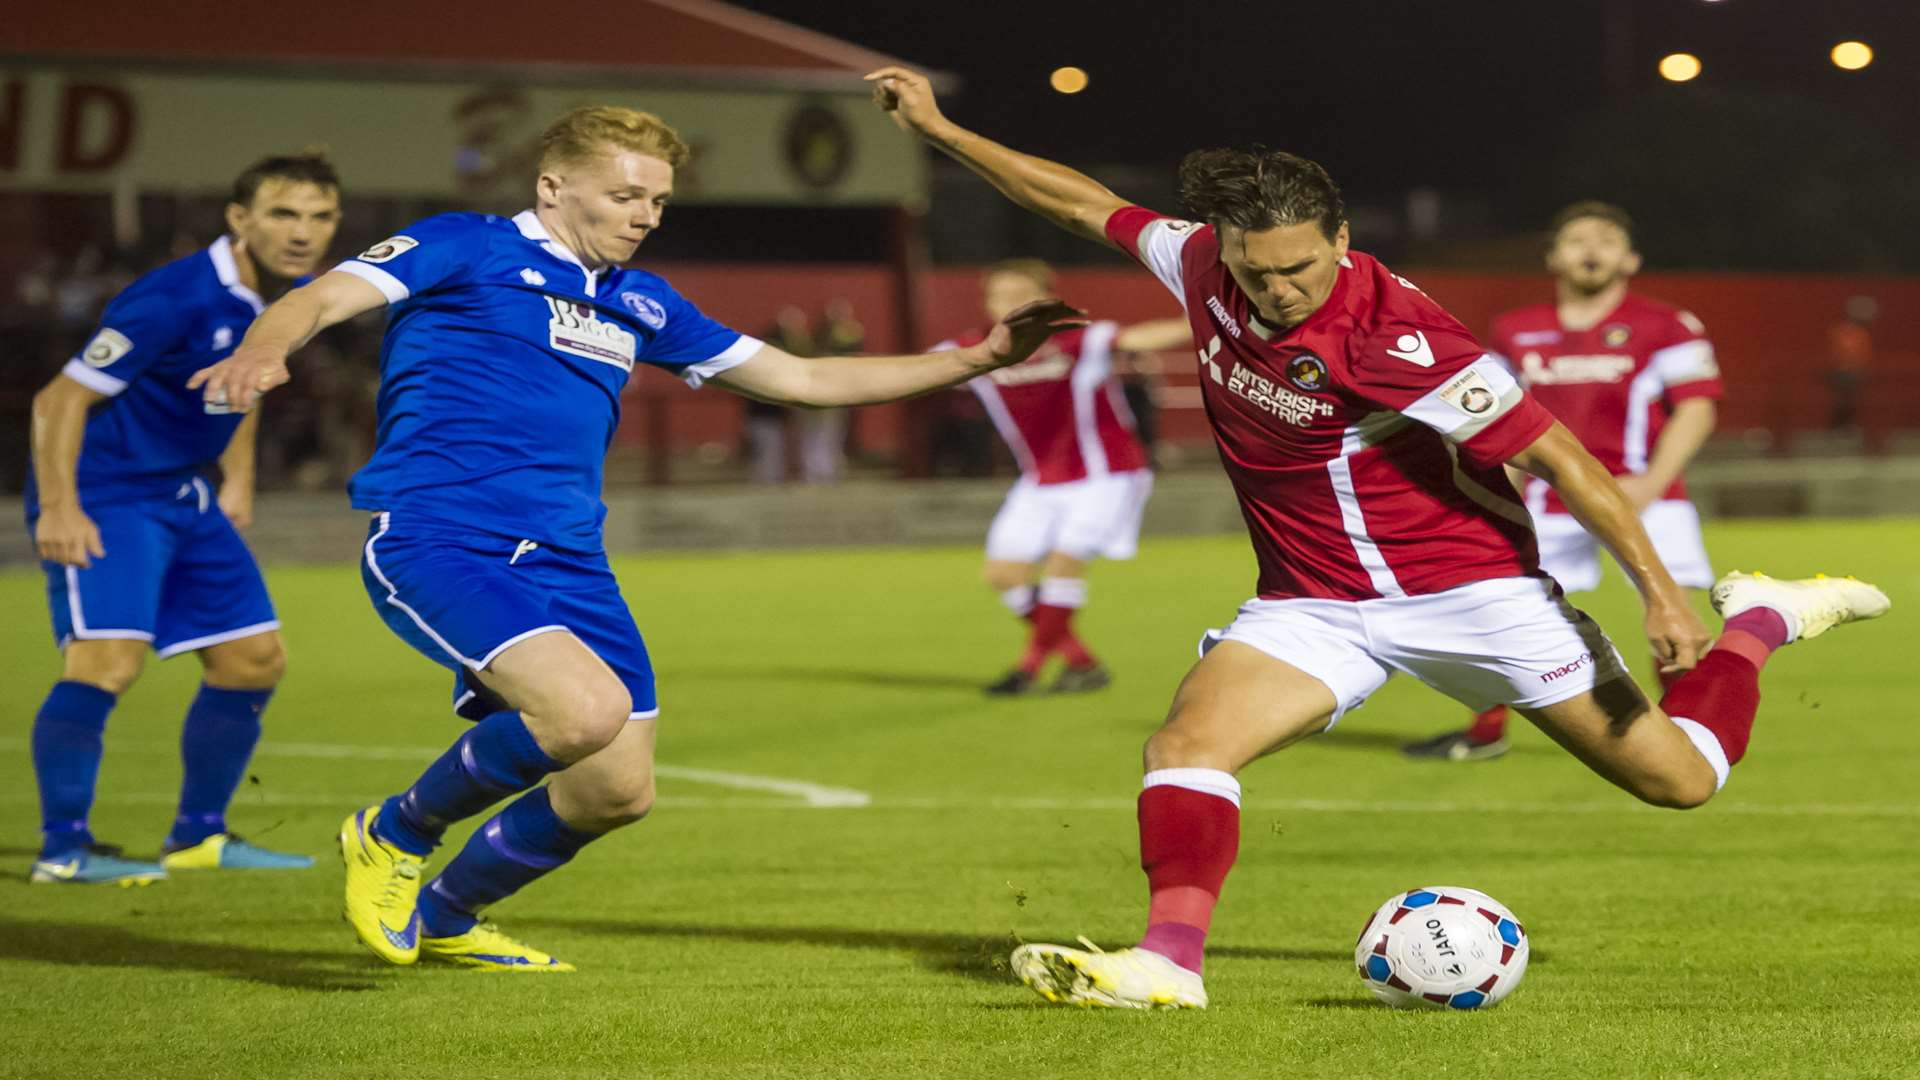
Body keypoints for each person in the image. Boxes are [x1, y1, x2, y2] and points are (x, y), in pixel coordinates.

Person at [867, 66, 1891, 1010]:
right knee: (1187, 745)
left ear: (1343, 237)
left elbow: (1565, 462)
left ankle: (1760, 617)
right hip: (1313, 604)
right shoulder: (1199, 265)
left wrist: (1667, 596)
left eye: (1301, 268)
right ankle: (1167, 964)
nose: (1279, 291)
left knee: (1682, 782)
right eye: (1257, 271)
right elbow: (1076, 201)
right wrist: (941, 127)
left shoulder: (1398, 341)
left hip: (1471, 593)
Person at [188, 105, 1083, 971]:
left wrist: (971, 360)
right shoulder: (465, 243)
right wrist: (264, 349)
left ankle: (446, 918)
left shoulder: (640, 301)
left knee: (615, 789)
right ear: (552, 187)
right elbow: (322, 297)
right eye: (624, 197)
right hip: (442, 534)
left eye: (657, 201)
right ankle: (394, 832)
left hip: (571, 557)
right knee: (582, 713)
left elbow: (802, 375)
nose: (644, 217)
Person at [26, 154, 343, 885]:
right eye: (283, 214)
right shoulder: (173, 297)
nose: (303, 233)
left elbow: (241, 385)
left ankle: (199, 836)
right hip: (107, 493)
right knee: (105, 664)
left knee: (251, 660)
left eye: (319, 216)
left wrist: (240, 479)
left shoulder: (290, 296)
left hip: (183, 494)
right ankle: (64, 849)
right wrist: (62, 506)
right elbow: (58, 401)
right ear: (240, 219)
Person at [1404, 202, 1723, 762]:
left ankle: (1687, 738)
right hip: (1545, 500)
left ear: (1631, 258)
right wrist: (1489, 495)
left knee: (1674, 614)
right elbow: (1489, 420)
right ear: (1552, 257)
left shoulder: (1667, 324)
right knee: (1496, 608)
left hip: (1643, 494)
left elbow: (1696, 409)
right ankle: (1485, 734)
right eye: (1577, 240)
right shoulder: (1515, 329)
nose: (1591, 249)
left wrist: (1651, 482)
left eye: (1606, 239)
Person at [935, 258, 1187, 694]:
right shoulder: (976, 349)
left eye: (1020, 295)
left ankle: (1026, 670)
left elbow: (1138, 337)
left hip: (1106, 474)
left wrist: (1202, 321)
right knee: (1002, 573)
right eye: (1000, 295)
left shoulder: (1076, 340)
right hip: (1040, 480)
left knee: (1062, 565)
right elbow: (907, 367)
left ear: (1045, 301)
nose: (1009, 304)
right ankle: (1082, 663)